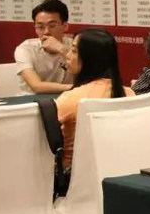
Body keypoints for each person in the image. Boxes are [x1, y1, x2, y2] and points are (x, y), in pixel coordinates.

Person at [55, 29, 134, 171]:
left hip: (71, 175)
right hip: (118, 171)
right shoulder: (129, 94)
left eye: (74, 51)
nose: (68, 55)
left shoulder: (71, 99)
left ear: (90, 59)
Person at [14, 0, 74, 94]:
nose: (46, 32)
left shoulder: (74, 45)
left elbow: (90, 74)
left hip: (67, 98)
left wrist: (62, 49)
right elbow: (36, 86)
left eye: (52, 26)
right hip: (31, 100)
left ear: (65, 26)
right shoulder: (25, 49)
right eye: (40, 27)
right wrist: (75, 88)